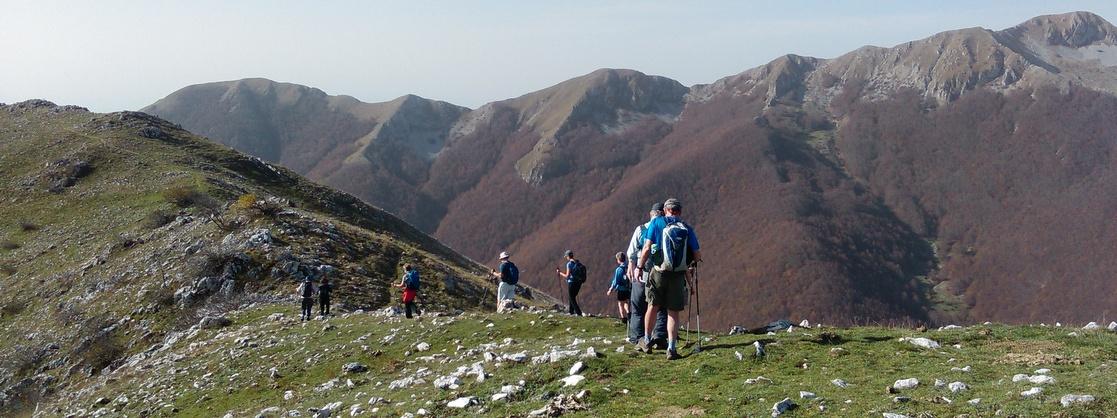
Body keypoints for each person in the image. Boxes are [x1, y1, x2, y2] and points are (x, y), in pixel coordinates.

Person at [636, 198, 702, 360]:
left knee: (653, 305)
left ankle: (646, 340)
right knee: (673, 311)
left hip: (658, 271)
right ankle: (671, 348)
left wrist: (639, 267)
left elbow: (646, 248)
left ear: (665, 210)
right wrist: (689, 266)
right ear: (679, 212)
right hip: (678, 274)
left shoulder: (657, 223)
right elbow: (697, 255)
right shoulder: (686, 228)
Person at [626, 203, 668, 345]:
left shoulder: (641, 229)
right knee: (661, 308)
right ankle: (659, 337)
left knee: (638, 308)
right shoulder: (668, 229)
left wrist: (633, 266)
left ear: (651, 214)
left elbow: (631, 252)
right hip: (662, 275)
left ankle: (637, 338)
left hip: (642, 275)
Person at [556, 250, 585, 316]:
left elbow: (567, 276)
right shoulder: (578, 263)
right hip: (579, 283)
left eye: (566, 256)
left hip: (572, 283)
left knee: (572, 298)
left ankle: (578, 313)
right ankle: (571, 312)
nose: (566, 258)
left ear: (568, 256)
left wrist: (559, 273)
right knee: (572, 297)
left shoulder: (569, 264)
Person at [605, 251, 631, 323]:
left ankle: (623, 318)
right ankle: (628, 312)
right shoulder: (628, 267)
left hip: (621, 289)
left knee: (620, 304)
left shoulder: (619, 270)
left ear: (618, 260)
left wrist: (611, 289)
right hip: (627, 289)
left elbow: (616, 281)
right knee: (626, 302)